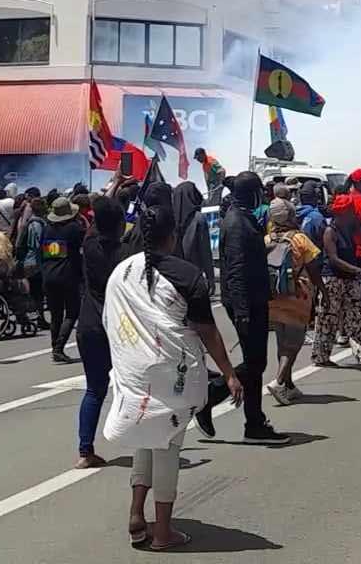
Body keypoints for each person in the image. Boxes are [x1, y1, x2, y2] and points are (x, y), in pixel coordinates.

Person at [103, 197, 244, 551]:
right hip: (172, 374)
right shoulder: (187, 274)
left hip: (133, 370)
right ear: (172, 235)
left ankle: (137, 516)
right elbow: (207, 331)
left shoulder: (121, 272)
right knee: (167, 447)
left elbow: (110, 320)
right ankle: (163, 533)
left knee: (145, 440)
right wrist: (229, 373)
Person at [219, 171, 283, 442]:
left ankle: (253, 420)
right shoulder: (237, 222)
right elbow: (235, 270)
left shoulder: (244, 218)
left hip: (253, 299)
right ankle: (218, 395)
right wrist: (243, 311)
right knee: (255, 363)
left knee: (256, 363)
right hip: (246, 302)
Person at [75, 193, 127, 469]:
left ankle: (85, 450)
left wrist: (114, 186)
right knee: (132, 384)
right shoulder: (125, 254)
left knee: (94, 389)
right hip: (118, 327)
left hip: (88, 325)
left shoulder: (90, 243)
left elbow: (101, 214)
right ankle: (144, 438)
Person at [312, 175, 361, 368]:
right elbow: (334, 259)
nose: (355, 215)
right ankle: (321, 357)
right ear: (342, 214)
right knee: (328, 318)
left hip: (350, 280)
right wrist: (359, 271)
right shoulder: (331, 232)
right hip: (333, 280)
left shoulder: (350, 230)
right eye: (351, 212)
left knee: (354, 318)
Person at [263, 201, 323, 406]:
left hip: (273, 298)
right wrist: (322, 291)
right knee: (294, 344)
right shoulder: (300, 239)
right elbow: (314, 267)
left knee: (282, 341)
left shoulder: (266, 239)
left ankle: (289, 385)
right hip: (298, 297)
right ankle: (279, 381)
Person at [29, 192, 86, 363]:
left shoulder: (47, 229)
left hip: (49, 275)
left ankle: (55, 346)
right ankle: (59, 347)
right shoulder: (75, 229)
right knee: (72, 312)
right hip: (68, 275)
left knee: (55, 315)